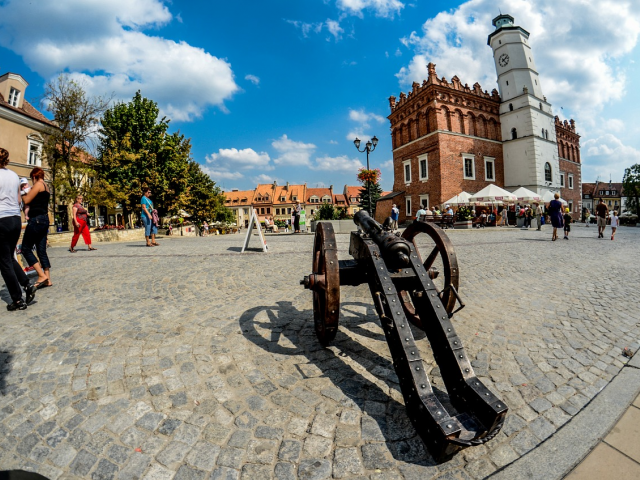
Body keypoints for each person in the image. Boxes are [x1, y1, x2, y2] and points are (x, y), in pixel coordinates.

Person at [0, 148, 36, 310]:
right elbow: (19, 199)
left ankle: (17, 299)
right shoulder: (14, 175)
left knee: (4, 262)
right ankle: (27, 284)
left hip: (1, 218)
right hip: (15, 218)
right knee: (9, 256)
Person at [21, 166, 52, 289]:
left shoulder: (38, 184)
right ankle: (48, 279)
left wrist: (22, 193)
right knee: (41, 250)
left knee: (25, 248)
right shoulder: (46, 186)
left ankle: (41, 275)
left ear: (34, 176)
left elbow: (27, 200)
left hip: (36, 220)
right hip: (44, 220)